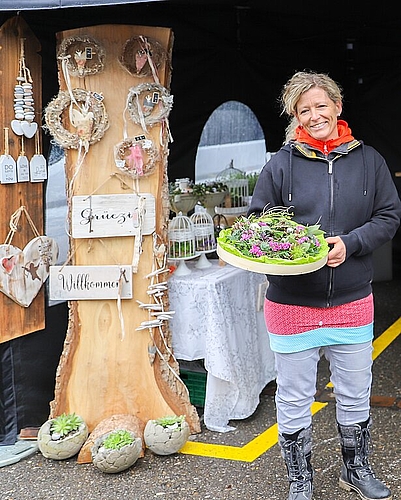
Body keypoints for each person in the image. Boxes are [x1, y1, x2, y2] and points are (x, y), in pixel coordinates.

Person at [248, 70, 401, 500]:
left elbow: (388, 216)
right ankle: (300, 478)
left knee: (355, 392)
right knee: (295, 396)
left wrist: (349, 244)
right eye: (304, 109)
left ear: (337, 107)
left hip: (352, 298)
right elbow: (259, 227)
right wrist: (297, 250)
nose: (314, 115)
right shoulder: (280, 164)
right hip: (292, 301)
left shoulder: (369, 160)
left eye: (321, 106)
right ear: (295, 116)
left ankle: (354, 470)